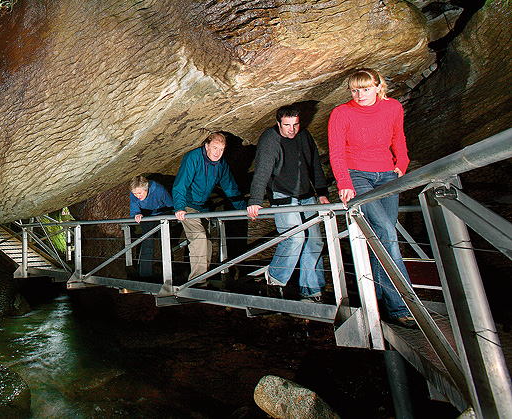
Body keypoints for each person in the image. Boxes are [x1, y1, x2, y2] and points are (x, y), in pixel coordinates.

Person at [328, 68, 415, 328]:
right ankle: (403, 305)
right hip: (358, 177)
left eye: (366, 88)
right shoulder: (341, 113)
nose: (360, 94)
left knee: (381, 238)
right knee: (387, 232)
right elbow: (336, 152)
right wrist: (344, 183)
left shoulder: (393, 108)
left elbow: (398, 136)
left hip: (388, 175)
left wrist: (403, 163)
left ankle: (380, 302)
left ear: (378, 87)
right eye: (355, 90)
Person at [247, 106, 331, 301]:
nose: (292, 130)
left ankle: (312, 291)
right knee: (295, 238)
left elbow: (315, 165)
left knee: (315, 241)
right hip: (283, 194)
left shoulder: (304, 136)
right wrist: (255, 200)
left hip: (306, 194)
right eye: (287, 125)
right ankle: (274, 280)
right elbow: (262, 169)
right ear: (278, 124)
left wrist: (322, 193)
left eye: (295, 125)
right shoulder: (270, 139)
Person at [172, 132, 246, 284]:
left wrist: (243, 209)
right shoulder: (193, 158)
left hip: (202, 207)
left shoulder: (221, 165)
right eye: (215, 148)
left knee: (208, 243)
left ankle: (203, 278)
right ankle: (196, 281)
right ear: (206, 146)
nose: (217, 153)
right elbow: (181, 183)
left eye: (221, 149)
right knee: (198, 236)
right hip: (187, 205)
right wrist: (179, 207)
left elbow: (230, 188)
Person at [129, 176, 173, 279]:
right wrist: (136, 214)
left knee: (165, 242)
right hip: (147, 215)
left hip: (162, 213)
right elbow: (134, 207)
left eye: (139, 193)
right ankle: (145, 275)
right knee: (147, 242)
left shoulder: (159, 189)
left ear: (147, 188)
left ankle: (169, 274)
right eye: (135, 194)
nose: (137, 196)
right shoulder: (134, 193)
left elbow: (170, 204)